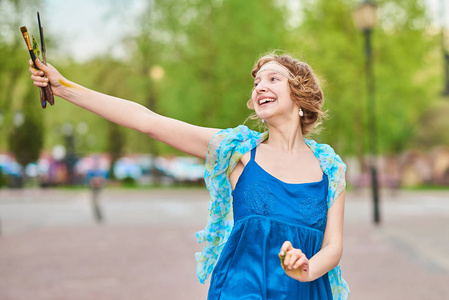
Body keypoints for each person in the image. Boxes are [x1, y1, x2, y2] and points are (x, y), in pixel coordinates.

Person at [29, 53, 349, 299]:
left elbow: (333, 246)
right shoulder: (238, 154)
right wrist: (64, 87)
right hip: (243, 288)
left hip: (307, 291)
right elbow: (147, 121)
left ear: (300, 95)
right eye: (257, 83)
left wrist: (306, 270)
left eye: (273, 79)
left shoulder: (329, 169)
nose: (260, 86)